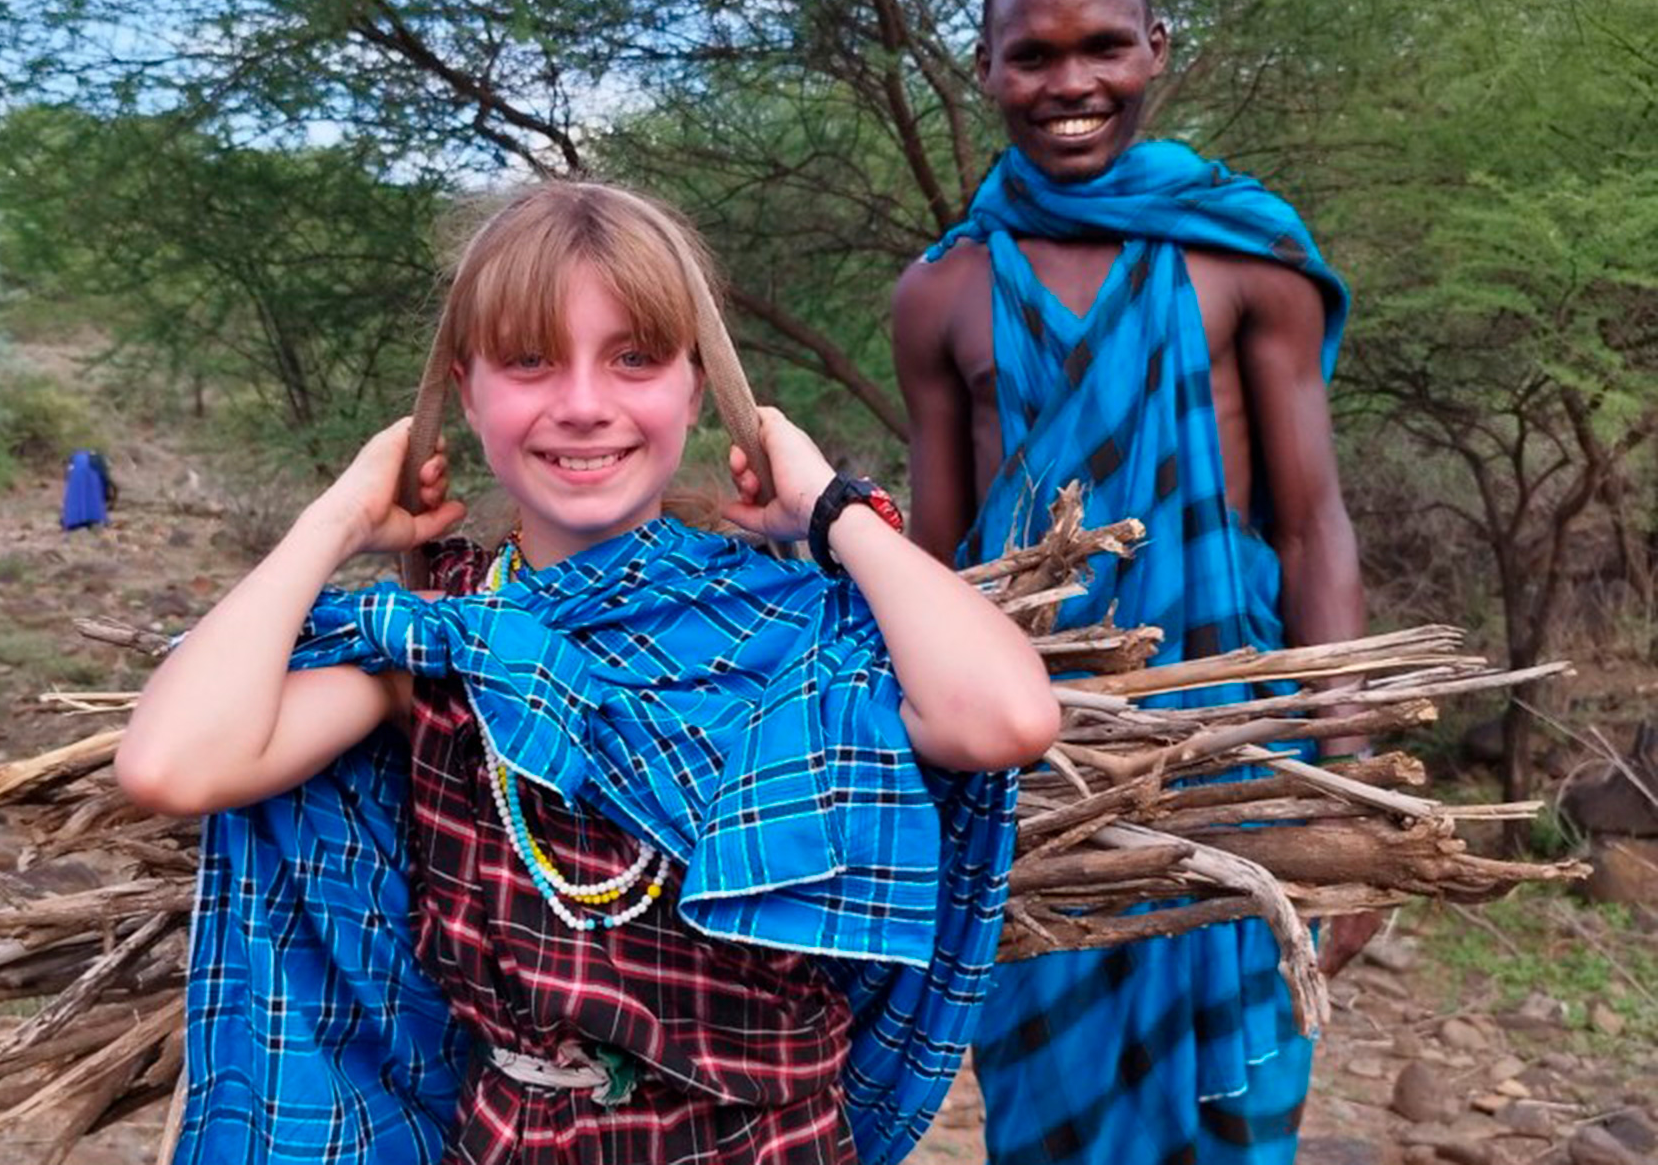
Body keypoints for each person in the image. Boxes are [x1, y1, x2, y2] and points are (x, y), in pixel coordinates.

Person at [118, 181, 1060, 1165]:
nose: (581, 404)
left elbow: (1004, 716)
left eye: (636, 358)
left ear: (696, 386)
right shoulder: (445, 647)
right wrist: (340, 516)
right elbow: (173, 763)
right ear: (467, 387)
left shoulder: (792, 629)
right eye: (528, 361)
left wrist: (834, 508)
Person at [891, 0, 1374, 1165]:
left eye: (1101, 45)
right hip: (1038, 782)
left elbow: (1313, 522)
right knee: (1047, 1117)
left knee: (1239, 1107)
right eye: (1032, 55)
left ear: (1155, 47)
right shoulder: (942, 291)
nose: (1070, 85)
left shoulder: (1245, 259)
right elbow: (935, 568)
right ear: (988, 68)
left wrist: (1356, 778)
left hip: (1233, 748)